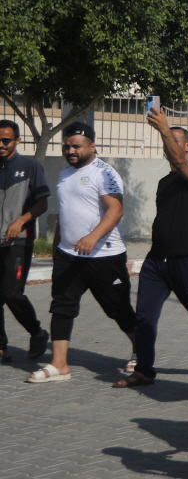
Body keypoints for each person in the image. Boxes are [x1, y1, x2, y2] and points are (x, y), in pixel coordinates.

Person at [115, 110, 188, 388]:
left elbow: (179, 161)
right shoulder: (164, 182)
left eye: (175, 140)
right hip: (156, 262)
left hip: (187, 260)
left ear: (187, 146)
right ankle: (145, 370)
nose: (169, 145)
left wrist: (163, 127)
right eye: (167, 140)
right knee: (145, 317)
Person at [29, 122, 137, 382]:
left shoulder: (105, 173)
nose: (70, 150)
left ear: (92, 146)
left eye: (76, 146)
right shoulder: (65, 174)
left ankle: (141, 350)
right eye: (67, 146)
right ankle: (59, 365)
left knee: (118, 309)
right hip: (69, 255)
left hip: (104, 255)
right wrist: (57, 248)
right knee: (62, 307)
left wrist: (92, 237)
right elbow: (66, 213)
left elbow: (115, 211)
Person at [0, 119, 50, 364]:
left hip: (19, 242)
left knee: (12, 294)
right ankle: (1, 347)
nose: (1, 144)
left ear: (17, 141)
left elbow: (43, 203)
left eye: (6, 140)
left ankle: (37, 333)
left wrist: (20, 221)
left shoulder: (30, 166)